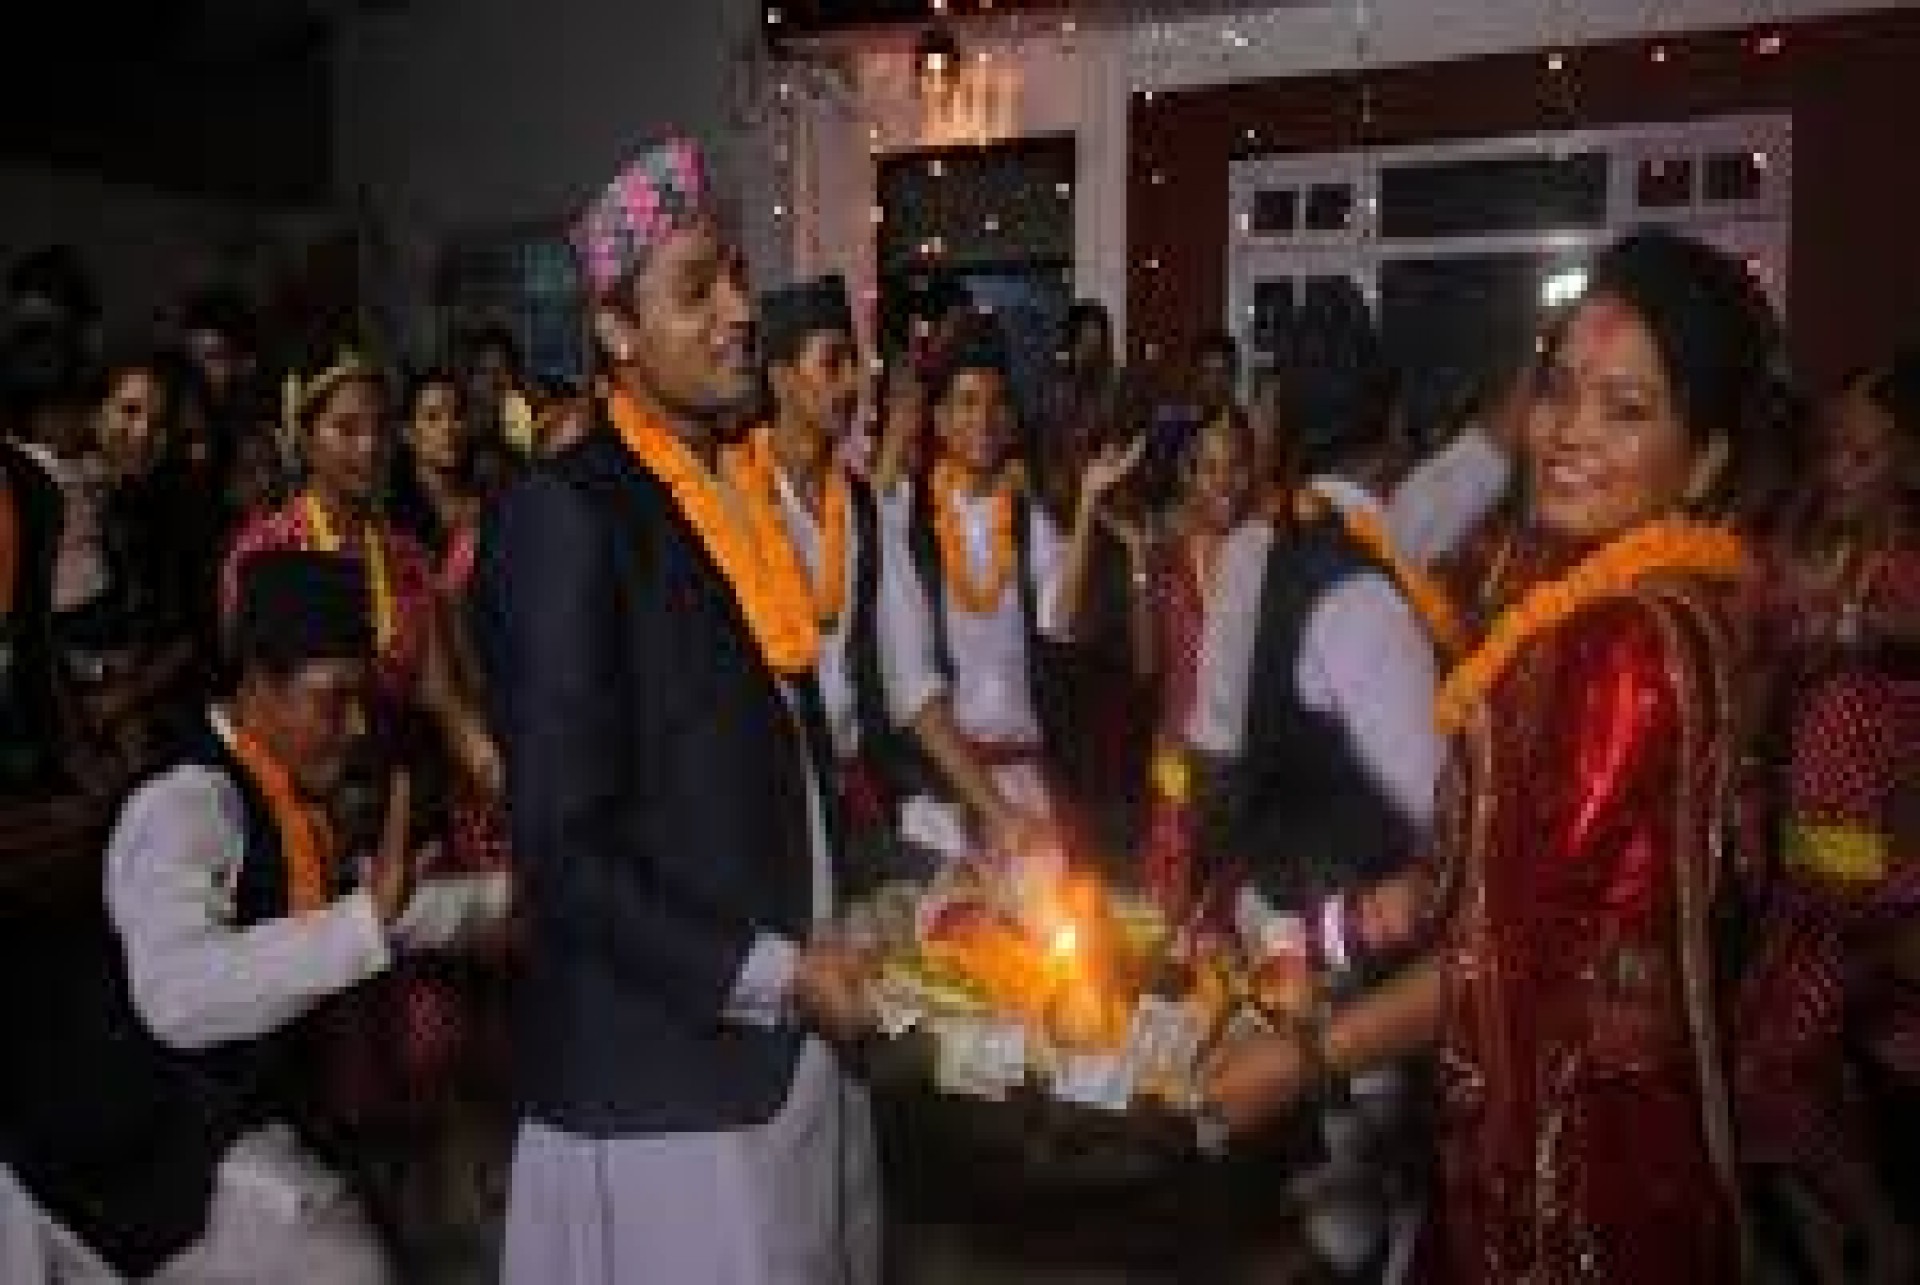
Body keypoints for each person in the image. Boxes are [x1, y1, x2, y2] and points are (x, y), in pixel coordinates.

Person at [1202, 229, 1782, 1283]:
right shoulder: (1619, 605)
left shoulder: (1625, 647)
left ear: (1705, 460)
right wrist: (1325, 933)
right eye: (1559, 390)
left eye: (1627, 408)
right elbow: (1484, 868)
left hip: (1576, 1164)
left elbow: (1511, 947)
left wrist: (1305, 1057)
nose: (1569, 432)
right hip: (1566, 1117)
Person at [474, 137, 881, 1284]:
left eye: (736, 277)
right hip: (668, 1096)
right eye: (696, 290)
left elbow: (765, 764)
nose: (741, 312)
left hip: (798, 1047)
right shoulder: (570, 515)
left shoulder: (738, 492)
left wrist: (896, 890)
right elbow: (565, 853)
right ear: (615, 330)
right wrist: (777, 974)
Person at [0, 551, 441, 1284]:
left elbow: (368, 911)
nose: (357, 726)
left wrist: (505, 905)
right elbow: (177, 993)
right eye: (333, 699)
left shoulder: (286, 804)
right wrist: (363, 924)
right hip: (76, 1192)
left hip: (187, 1159)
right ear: (260, 683)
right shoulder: (183, 806)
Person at [1734, 353, 1920, 1283]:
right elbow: (1754, 638)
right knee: (1780, 1077)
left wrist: (1835, 621)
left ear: (1909, 462)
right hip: (1811, 874)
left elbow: (1878, 630)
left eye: (1864, 456)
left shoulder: (1902, 573)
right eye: (1833, 452)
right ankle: (1857, 1241)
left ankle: (1881, 1237)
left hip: (1881, 883)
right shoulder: (1807, 558)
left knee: (1779, 1069)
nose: (1840, 472)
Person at [884, 327, 1138, 872]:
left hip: (1022, 778)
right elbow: (910, 686)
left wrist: (1088, 504)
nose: (982, 419)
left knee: (1047, 920)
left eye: (995, 403)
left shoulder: (1027, 520)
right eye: (966, 403)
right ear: (940, 420)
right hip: (941, 794)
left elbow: (1059, 621)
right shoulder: (905, 522)